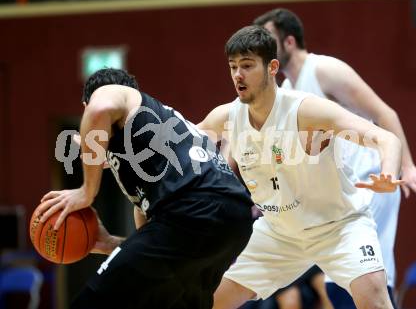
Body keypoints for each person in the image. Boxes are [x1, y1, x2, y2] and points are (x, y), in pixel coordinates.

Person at [197, 25, 404, 309]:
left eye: (247, 66)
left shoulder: (306, 111)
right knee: (211, 299)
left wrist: (389, 175)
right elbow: (180, 146)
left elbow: (385, 138)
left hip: (338, 226)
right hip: (280, 231)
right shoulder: (227, 117)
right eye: (232, 67)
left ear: (272, 67)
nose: (238, 75)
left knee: (373, 297)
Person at [253, 8, 416, 307]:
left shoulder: (325, 70)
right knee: (338, 283)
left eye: (269, 40)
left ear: (288, 42)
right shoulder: (287, 90)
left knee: (363, 276)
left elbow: (384, 113)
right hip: (339, 192)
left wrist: (407, 166)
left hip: (371, 182)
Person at [36, 68, 255, 309]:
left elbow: (98, 110)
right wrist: (109, 243)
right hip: (233, 221)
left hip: (195, 208)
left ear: (85, 105)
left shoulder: (114, 95)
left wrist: (86, 192)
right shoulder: (148, 155)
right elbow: (152, 249)